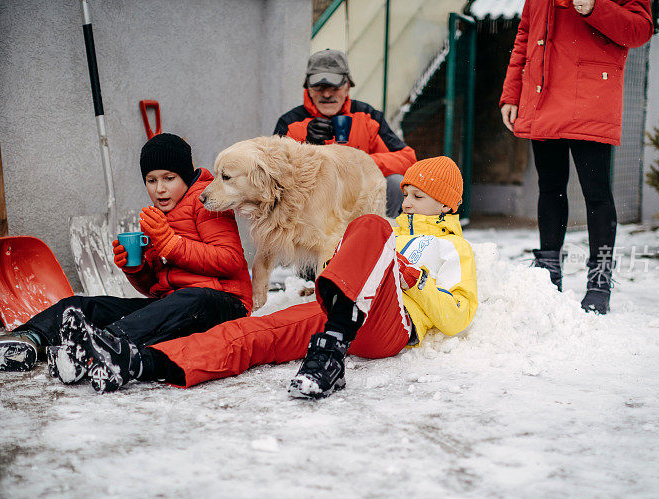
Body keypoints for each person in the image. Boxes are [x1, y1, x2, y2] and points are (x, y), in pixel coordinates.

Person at [49, 156, 478, 398]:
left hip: (390, 327)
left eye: (417, 197)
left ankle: (329, 351)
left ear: (444, 205)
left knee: (368, 224)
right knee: (253, 332)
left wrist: (416, 278)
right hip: (336, 318)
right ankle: (138, 362)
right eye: (404, 194)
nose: (405, 204)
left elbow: (459, 315)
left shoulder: (452, 248)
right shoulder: (397, 231)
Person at [0, 133, 253, 381]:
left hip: (223, 305)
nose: (160, 189)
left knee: (192, 298)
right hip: (175, 307)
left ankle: (100, 343)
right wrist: (136, 269)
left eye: (169, 178)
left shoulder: (207, 203)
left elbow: (230, 260)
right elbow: (156, 289)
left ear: (185, 176)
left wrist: (170, 244)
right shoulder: (159, 217)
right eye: (151, 180)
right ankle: (26, 341)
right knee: (83, 305)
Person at [499, 0, 652, 314]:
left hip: (591, 94)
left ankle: (599, 281)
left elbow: (639, 31)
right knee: (550, 188)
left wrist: (598, 7)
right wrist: (512, 93)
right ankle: (548, 277)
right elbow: (525, 35)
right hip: (542, 94)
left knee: (596, 193)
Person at [274, 49, 417, 218]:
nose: (327, 94)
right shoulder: (290, 123)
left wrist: (360, 162)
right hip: (312, 210)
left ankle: (382, 239)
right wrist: (308, 148)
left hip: (361, 202)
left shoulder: (367, 116)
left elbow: (408, 159)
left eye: (334, 86)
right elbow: (276, 178)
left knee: (395, 183)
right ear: (308, 88)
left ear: (348, 86)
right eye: (319, 87)